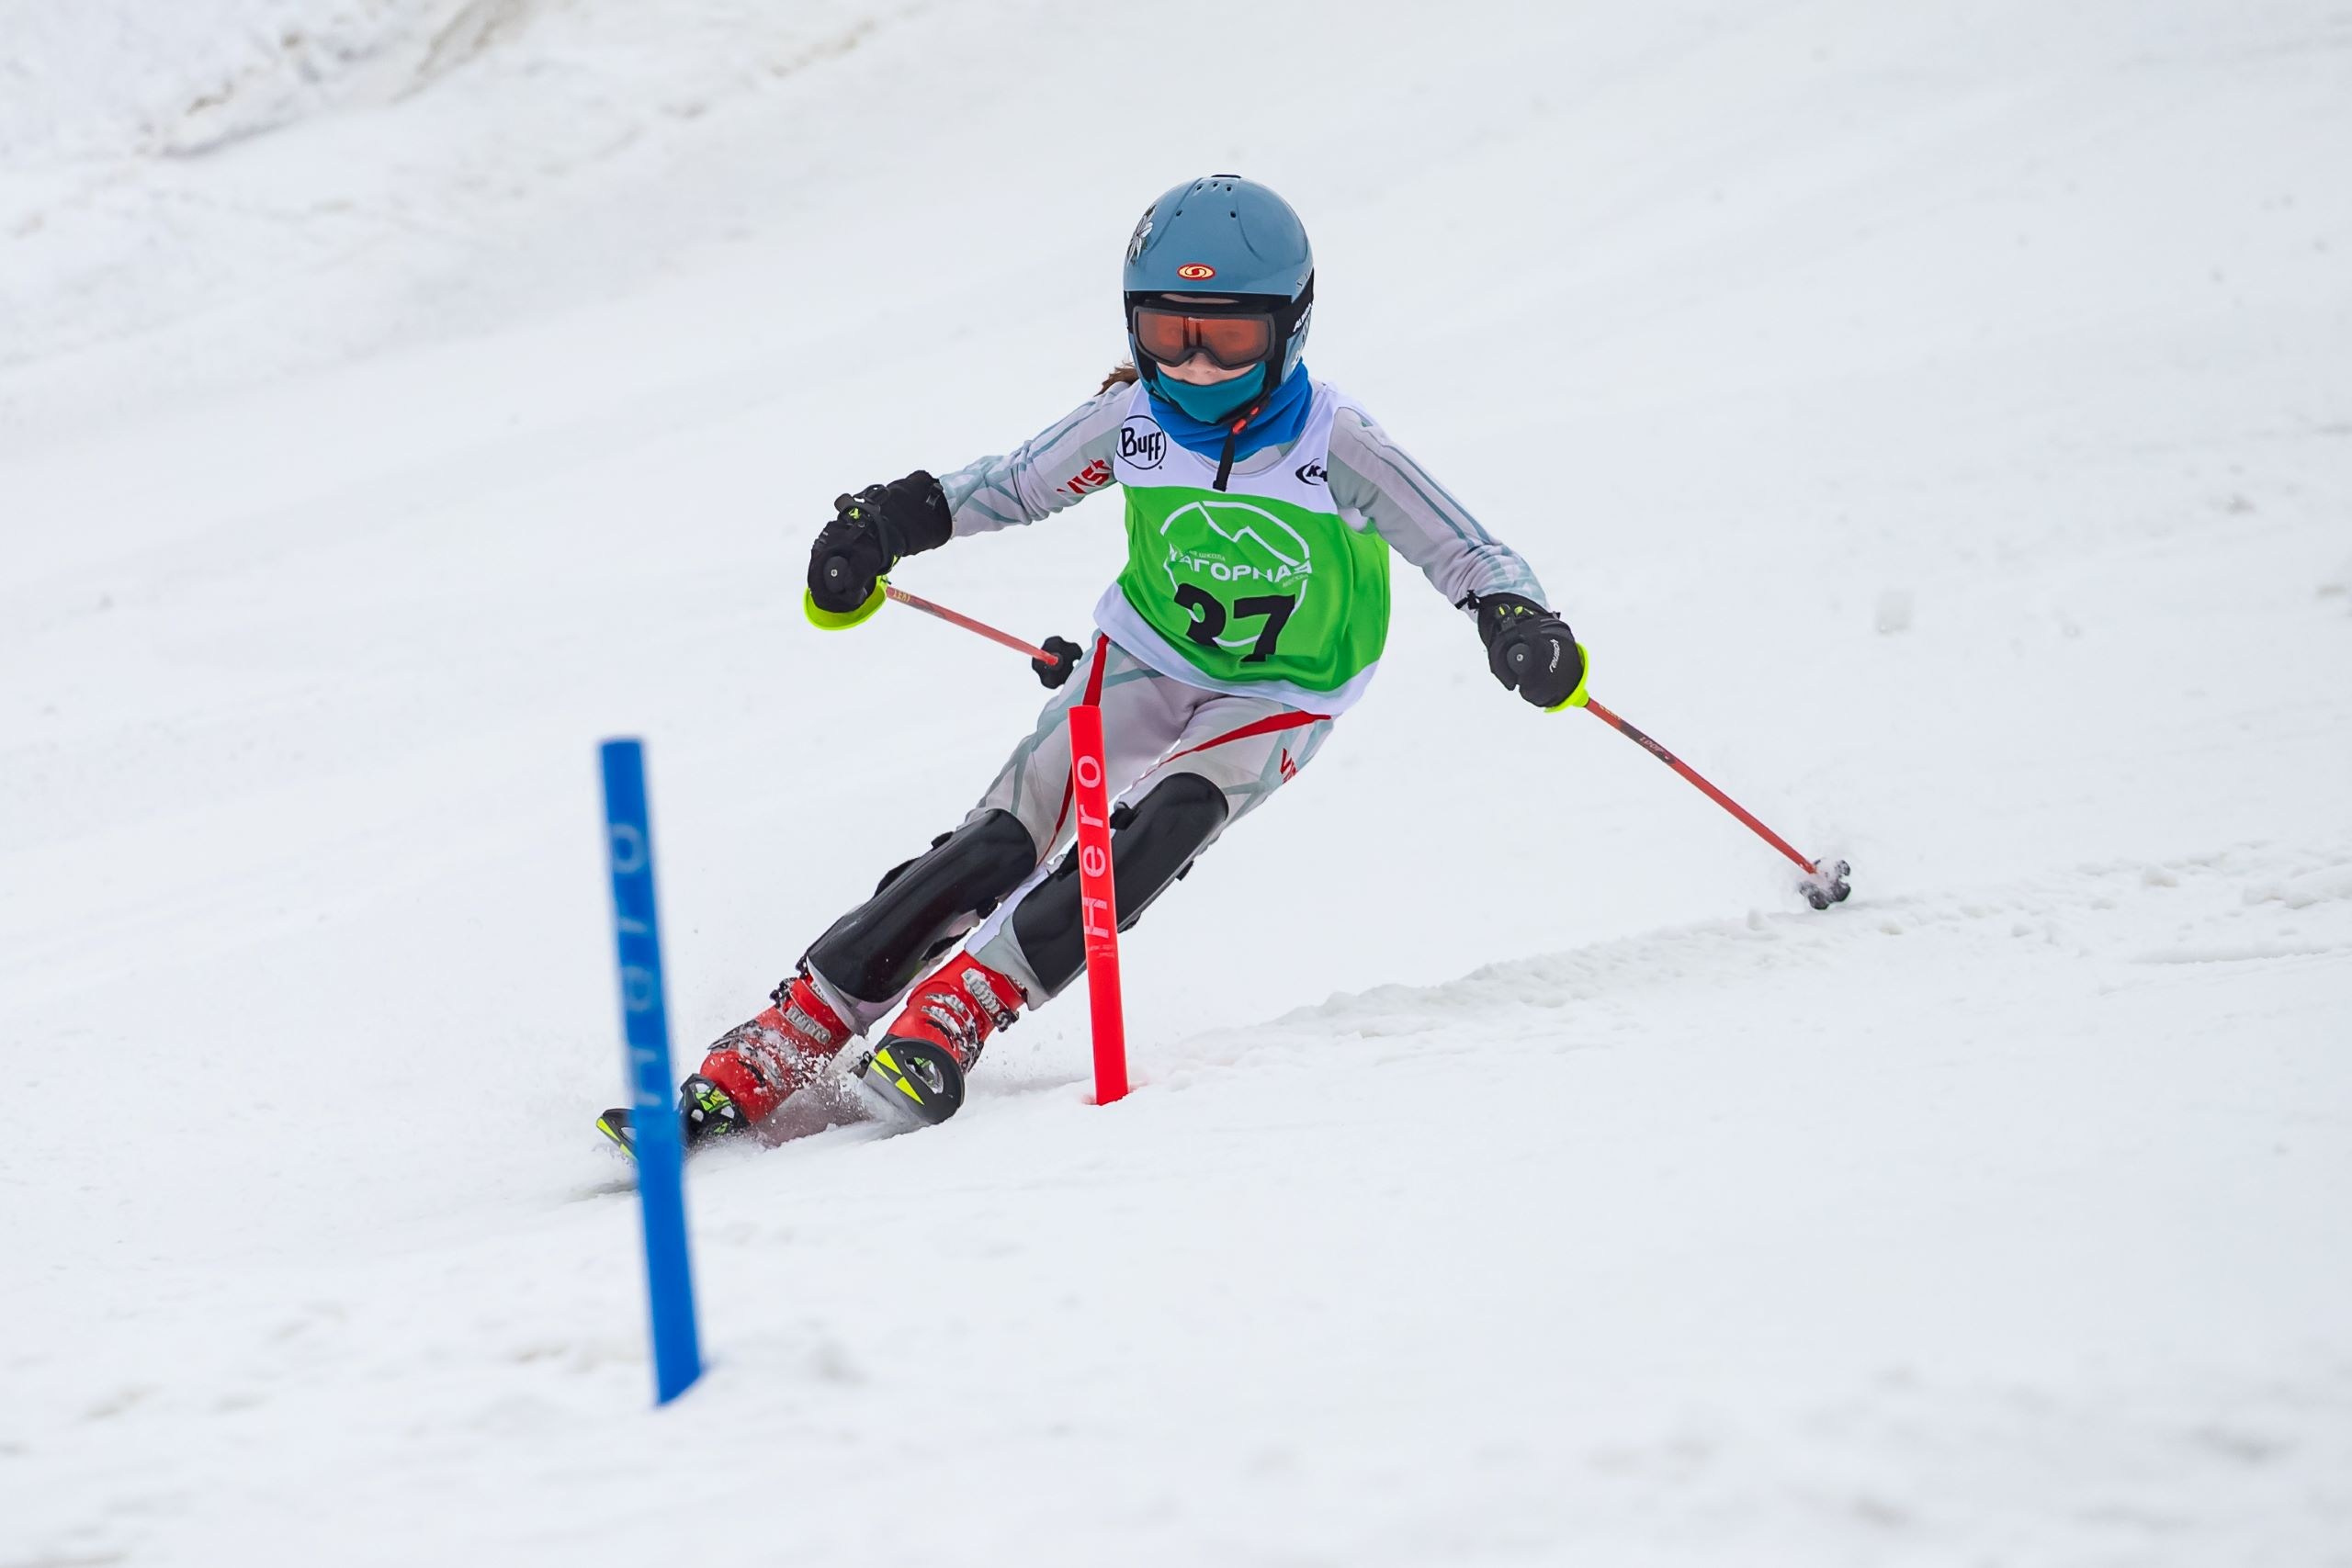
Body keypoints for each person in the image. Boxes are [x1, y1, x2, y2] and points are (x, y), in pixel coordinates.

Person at [600, 175, 1585, 1150]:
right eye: (1169, 333)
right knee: (1002, 837)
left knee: (1164, 823)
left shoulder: (1337, 443)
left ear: (1291, 327)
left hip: (1282, 692)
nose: (1196, 365)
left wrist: (1516, 619)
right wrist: (887, 522)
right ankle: (790, 1030)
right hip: (1146, 655)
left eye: (1229, 338)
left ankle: (962, 1006)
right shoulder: (1135, 423)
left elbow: (1466, 550)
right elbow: (1012, 486)